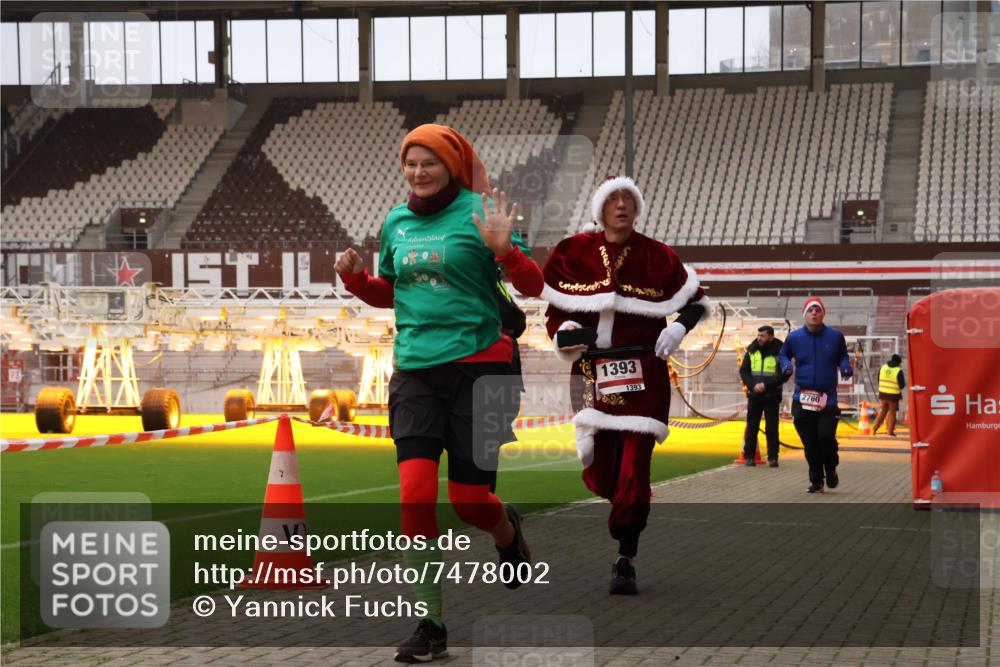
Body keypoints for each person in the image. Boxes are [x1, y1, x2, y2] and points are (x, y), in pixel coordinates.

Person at [334, 123, 544, 663]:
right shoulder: (396, 222)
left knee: (470, 501)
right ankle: (431, 623)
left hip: (481, 370)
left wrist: (506, 252)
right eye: (410, 163)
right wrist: (358, 282)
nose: (419, 172)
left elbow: (534, 287)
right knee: (415, 494)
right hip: (415, 372)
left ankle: (506, 531)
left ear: (452, 165)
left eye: (429, 162)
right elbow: (391, 291)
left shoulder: (480, 212)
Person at [544, 176, 710, 595]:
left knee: (635, 469)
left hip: (644, 374)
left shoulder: (658, 256)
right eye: (613, 198)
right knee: (602, 472)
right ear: (600, 208)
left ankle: (625, 556)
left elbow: (698, 302)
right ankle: (622, 509)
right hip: (590, 376)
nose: (622, 205)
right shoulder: (572, 253)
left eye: (628, 199)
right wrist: (564, 331)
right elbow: (554, 312)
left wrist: (678, 330)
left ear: (636, 208)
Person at [779, 297, 854, 493]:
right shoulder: (794, 337)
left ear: (823, 314)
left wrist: (845, 366)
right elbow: (783, 354)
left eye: (817, 310)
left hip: (827, 398)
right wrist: (786, 365)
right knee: (810, 443)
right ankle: (816, 480)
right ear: (805, 314)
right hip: (802, 397)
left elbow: (843, 356)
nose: (814, 313)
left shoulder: (835, 336)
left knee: (825, 438)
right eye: (810, 310)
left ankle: (831, 468)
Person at [738, 325, 791, 467]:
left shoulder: (781, 351)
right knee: (752, 427)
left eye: (763, 336)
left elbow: (784, 375)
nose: (759, 338)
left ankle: (773, 457)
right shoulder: (751, 350)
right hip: (754, 395)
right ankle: (749, 456)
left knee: (772, 428)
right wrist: (752, 386)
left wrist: (765, 385)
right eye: (758, 335)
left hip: (772, 396)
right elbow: (744, 371)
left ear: (771, 337)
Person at [872, 353, 905, 436]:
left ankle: (874, 429)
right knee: (892, 413)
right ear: (898, 362)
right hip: (893, 396)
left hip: (882, 394)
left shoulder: (883, 367)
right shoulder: (898, 370)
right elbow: (902, 385)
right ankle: (890, 432)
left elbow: (878, 379)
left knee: (883, 412)